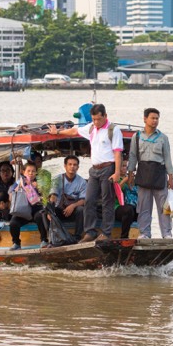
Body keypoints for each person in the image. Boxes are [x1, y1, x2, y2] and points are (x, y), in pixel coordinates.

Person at [49, 103, 123, 242]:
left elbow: (118, 152)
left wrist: (117, 172)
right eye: (94, 119)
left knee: (107, 201)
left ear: (105, 116)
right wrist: (57, 132)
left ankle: (106, 233)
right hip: (94, 169)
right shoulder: (91, 128)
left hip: (108, 168)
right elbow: (74, 131)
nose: (96, 122)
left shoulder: (113, 130)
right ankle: (90, 231)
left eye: (98, 119)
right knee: (89, 200)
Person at [127, 107, 173, 238]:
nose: (155, 121)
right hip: (143, 175)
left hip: (160, 175)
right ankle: (145, 233)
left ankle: (166, 233)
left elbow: (168, 158)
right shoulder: (136, 137)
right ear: (145, 119)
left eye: (157, 118)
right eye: (152, 118)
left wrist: (171, 177)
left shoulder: (163, 138)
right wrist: (130, 174)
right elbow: (133, 156)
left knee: (164, 207)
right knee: (143, 207)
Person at [8, 162, 48, 250]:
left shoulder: (40, 183)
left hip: (36, 209)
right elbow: (11, 193)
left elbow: (46, 197)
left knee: (40, 216)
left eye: (33, 171)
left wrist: (39, 189)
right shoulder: (20, 182)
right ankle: (16, 243)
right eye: (28, 171)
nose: (31, 173)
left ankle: (44, 240)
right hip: (23, 210)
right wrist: (17, 189)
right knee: (13, 223)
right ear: (23, 172)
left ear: (36, 173)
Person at [47, 155, 87, 240]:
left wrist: (73, 206)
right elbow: (53, 196)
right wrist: (51, 210)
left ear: (78, 167)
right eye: (70, 164)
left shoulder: (82, 182)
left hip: (72, 211)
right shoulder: (57, 179)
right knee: (45, 214)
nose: (72, 167)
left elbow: (83, 200)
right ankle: (50, 238)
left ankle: (77, 237)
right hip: (59, 209)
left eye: (75, 165)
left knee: (81, 210)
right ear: (65, 166)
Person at [115, 160, 138, 238]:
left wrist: (131, 181)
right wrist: (125, 180)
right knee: (128, 209)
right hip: (117, 208)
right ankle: (124, 237)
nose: (124, 168)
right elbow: (116, 192)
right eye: (122, 166)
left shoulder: (131, 179)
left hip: (130, 206)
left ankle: (143, 234)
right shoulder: (114, 178)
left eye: (125, 166)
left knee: (142, 211)